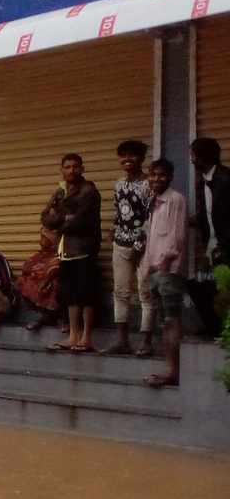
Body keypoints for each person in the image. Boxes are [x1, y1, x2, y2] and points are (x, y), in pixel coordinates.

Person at [41, 153, 101, 353]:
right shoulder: (60, 191)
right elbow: (46, 217)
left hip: (84, 249)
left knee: (86, 294)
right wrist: (61, 218)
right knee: (70, 295)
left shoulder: (89, 191)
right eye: (67, 167)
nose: (71, 170)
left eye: (75, 166)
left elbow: (79, 221)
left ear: (82, 169)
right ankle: (73, 336)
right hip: (65, 250)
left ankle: (86, 338)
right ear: (62, 170)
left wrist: (60, 220)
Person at [140, 159, 188, 388]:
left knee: (170, 320)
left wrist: (164, 262)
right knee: (163, 322)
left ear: (169, 177)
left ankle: (173, 372)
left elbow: (177, 237)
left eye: (161, 175)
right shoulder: (154, 202)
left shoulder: (175, 200)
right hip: (155, 269)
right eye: (152, 175)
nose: (156, 179)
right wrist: (148, 265)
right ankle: (169, 369)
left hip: (168, 270)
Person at [107, 140, 156, 355]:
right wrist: (114, 229)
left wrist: (140, 242)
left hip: (143, 246)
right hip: (121, 244)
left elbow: (151, 217)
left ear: (142, 158)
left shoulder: (148, 185)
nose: (127, 159)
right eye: (123, 156)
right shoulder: (118, 184)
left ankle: (145, 342)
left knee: (145, 292)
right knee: (120, 292)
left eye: (133, 155)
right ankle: (122, 340)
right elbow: (118, 211)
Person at [190, 137, 230, 335]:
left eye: (193, 156)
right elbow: (206, 213)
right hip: (211, 245)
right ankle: (215, 328)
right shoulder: (202, 182)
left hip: (225, 246)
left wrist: (223, 245)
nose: (191, 161)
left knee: (221, 287)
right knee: (198, 284)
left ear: (202, 157)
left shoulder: (226, 179)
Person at [19, 225, 65, 333]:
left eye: (43, 238)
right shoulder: (41, 255)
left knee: (55, 284)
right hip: (42, 284)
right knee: (23, 282)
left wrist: (45, 277)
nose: (40, 241)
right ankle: (45, 317)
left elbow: (56, 269)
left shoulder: (61, 255)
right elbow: (27, 268)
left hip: (58, 286)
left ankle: (61, 318)